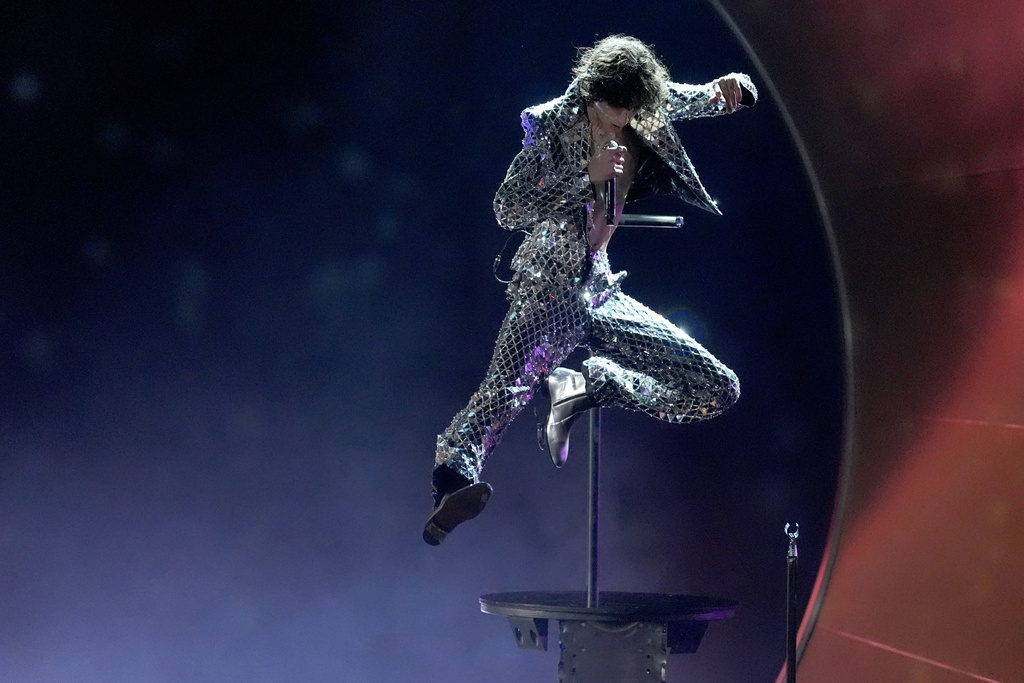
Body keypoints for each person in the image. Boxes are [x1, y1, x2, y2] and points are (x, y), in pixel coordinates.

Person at [423, 35, 756, 545]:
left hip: (599, 291)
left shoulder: (642, 102)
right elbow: (508, 207)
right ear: (592, 96)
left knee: (718, 388)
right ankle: (451, 481)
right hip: (548, 288)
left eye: (632, 112)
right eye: (613, 112)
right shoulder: (552, 122)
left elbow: (691, 97)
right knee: (505, 391)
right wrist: (586, 177)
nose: (623, 122)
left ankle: (589, 386)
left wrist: (730, 88)